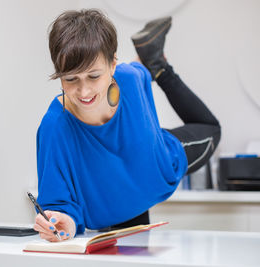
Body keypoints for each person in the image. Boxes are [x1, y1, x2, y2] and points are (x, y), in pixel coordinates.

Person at [33, 9, 221, 242]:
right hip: (115, 206)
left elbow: (139, 72)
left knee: (210, 128)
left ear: (113, 65)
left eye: (93, 76)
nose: (84, 91)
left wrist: (144, 65)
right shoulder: (55, 126)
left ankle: (157, 64)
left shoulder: (129, 78)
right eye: (71, 79)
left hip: (154, 168)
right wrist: (63, 225)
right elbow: (58, 206)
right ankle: (157, 63)